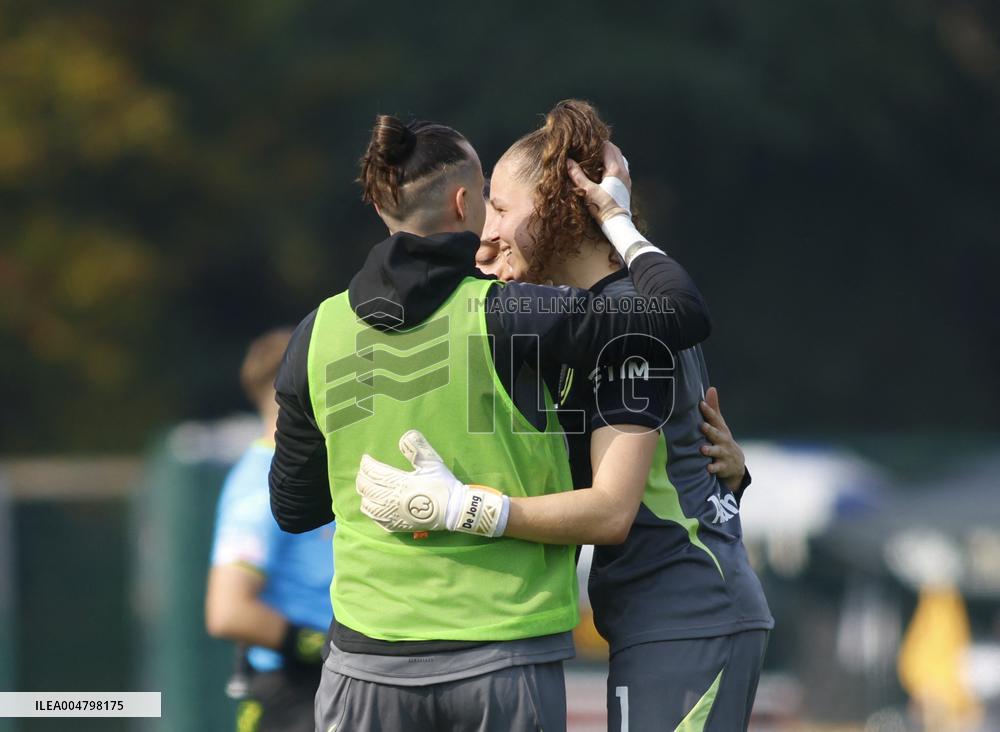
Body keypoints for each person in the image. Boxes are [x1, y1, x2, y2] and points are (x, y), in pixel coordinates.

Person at [269, 112, 713, 732]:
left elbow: (294, 506)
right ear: (462, 202)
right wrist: (617, 217)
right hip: (501, 653)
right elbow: (678, 313)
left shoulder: (315, 335)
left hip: (366, 658)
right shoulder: (518, 315)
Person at [358, 100, 773, 732]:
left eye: (499, 207)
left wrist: (462, 507)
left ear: (554, 208)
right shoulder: (593, 317)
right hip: (663, 619)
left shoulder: (629, 319)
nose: (485, 231)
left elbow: (610, 512)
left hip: (689, 618)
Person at [205, 329, 334, 732]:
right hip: (295, 694)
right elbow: (228, 611)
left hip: (320, 686)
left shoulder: (307, 471)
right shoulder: (260, 480)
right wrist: (323, 647)